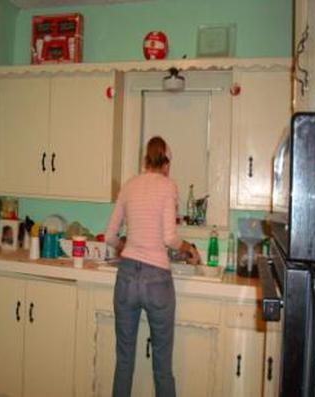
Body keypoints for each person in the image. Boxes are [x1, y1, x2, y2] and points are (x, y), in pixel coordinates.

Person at [105, 136, 201, 397]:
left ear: (145, 160)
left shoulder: (129, 186)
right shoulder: (168, 186)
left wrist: (124, 243)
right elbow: (169, 238)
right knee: (162, 364)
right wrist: (189, 249)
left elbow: (110, 235)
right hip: (157, 280)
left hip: (126, 278)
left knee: (124, 360)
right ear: (167, 163)